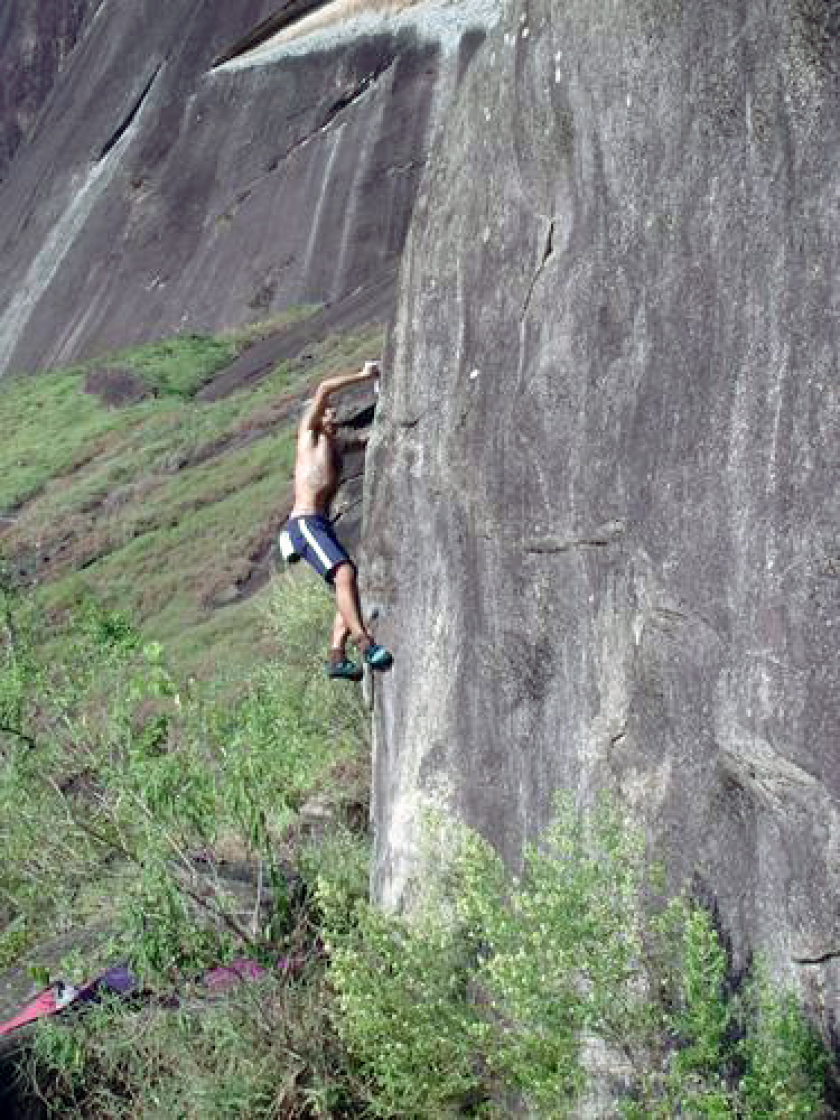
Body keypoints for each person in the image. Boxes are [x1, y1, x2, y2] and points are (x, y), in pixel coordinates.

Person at [279, 360, 393, 681]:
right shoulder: (308, 436)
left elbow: (374, 436)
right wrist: (363, 375)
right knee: (344, 573)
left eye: (331, 412)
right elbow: (324, 389)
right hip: (304, 523)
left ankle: (336, 657)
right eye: (326, 411)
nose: (331, 413)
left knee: (347, 587)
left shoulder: (337, 446)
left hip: (319, 525)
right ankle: (365, 644)